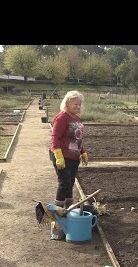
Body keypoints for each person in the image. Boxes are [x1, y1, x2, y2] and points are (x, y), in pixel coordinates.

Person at [49, 90, 89, 240]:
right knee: (64, 184)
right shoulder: (62, 117)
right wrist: (58, 156)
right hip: (62, 157)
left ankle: (68, 215)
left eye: (79, 104)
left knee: (70, 184)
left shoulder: (76, 118)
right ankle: (57, 223)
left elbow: (77, 139)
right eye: (75, 104)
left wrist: (83, 152)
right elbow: (55, 138)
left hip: (73, 157)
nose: (78, 106)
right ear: (67, 104)